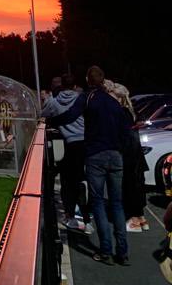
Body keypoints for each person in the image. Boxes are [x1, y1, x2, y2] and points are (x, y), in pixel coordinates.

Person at [50, 66, 130, 265]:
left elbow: (69, 116)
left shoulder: (87, 98)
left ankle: (105, 250)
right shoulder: (114, 103)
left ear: (87, 79)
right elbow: (125, 130)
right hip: (116, 155)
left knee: (98, 202)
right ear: (103, 81)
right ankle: (123, 252)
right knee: (117, 204)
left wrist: (51, 120)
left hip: (96, 155)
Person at [43, 74, 91, 232]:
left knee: (67, 182)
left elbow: (43, 115)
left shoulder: (53, 101)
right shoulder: (82, 98)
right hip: (85, 143)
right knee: (83, 179)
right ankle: (87, 217)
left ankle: (70, 216)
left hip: (67, 144)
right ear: (75, 85)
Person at [105, 80, 148, 232]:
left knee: (129, 185)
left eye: (113, 97)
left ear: (120, 98)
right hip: (136, 151)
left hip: (128, 152)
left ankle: (134, 221)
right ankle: (141, 219)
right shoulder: (132, 110)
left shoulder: (121, 112)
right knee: (138, 184)